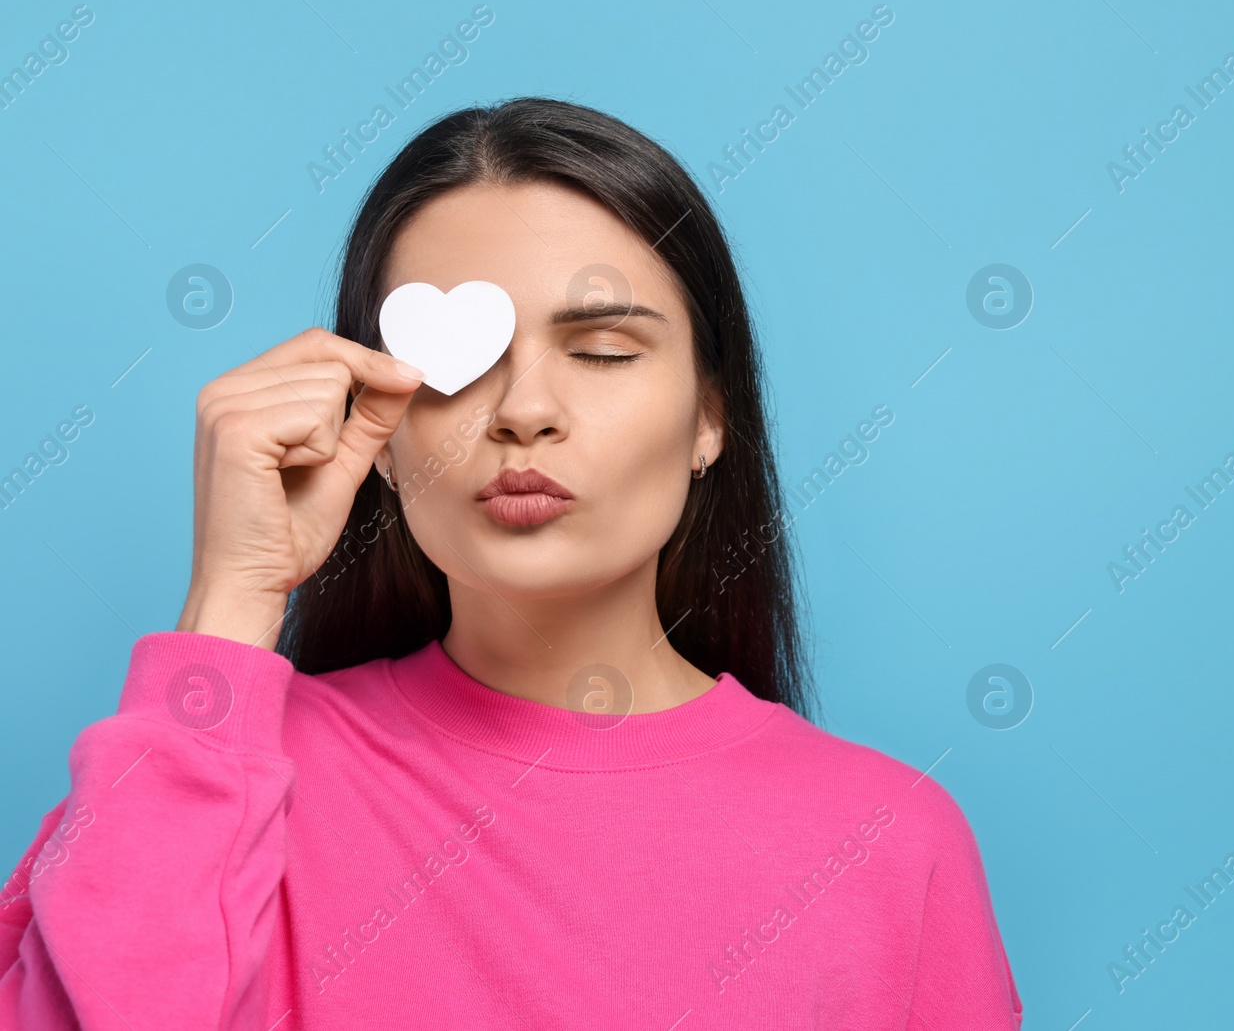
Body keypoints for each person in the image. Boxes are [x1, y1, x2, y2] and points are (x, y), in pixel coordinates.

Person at [0, 97, 1022, 1029]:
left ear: (711, 416)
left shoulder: (887, 840)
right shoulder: (209, 781)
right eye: (457, 363)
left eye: (604, 351)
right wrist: (231, 597)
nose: (523, 410)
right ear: (380, 434)